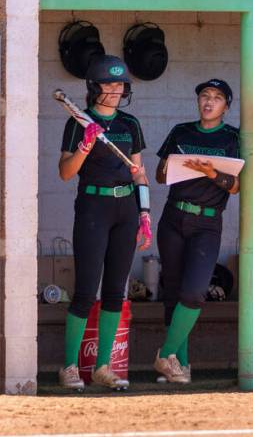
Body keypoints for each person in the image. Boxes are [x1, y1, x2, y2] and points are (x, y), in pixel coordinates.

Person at [57, 55, 152, 391]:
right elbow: (66, 172)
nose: (114, 90)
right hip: (93, 207)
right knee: (86, 289)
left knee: (115, 291)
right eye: (108, 84)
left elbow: (139, 173)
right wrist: (85, 144)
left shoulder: (130, 125)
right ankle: (69, 366)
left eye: (119, 84)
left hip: (125, 207)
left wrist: (144, 214)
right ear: (94, 87)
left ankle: (103, 367)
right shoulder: (79, 123)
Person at [154, 79, 240, 384]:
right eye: (204, 95)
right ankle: (180, 365)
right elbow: (160, 176)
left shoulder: (232, 137)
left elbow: (237, 187)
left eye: (217, 97)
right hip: (174, 216)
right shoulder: (181, 131)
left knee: (194, 292)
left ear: (226, 106)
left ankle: (165, 353)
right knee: (173, 292)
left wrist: (212, 173)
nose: (209, 101)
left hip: (207, 222)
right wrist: (175, 165)